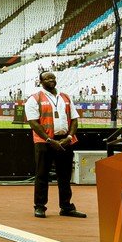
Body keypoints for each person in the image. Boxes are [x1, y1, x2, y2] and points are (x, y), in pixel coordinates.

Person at [24, 71, 85, 219]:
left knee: (64, 175)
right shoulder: (34, 99)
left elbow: (75, 119)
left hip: (65, 140)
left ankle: (66, 206)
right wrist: (49, 140)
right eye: (47, 78)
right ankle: (39, 206)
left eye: (53, 77)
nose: (51, 80)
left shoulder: (65, 97)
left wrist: (69, 137)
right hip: (44, 141)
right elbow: (33, 122)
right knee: (42, 175)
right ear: (41, 81)